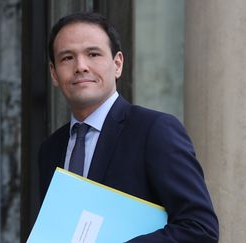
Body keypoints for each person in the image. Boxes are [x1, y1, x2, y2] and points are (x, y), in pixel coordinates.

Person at [38, 12, 219, 242]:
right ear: (54, 73)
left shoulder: (155, 131)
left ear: (117, 64)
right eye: (67, 58)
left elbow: (200, 229)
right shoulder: (50, 150)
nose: (81, 66)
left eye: (93, 54)